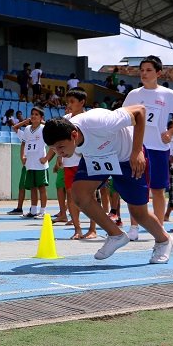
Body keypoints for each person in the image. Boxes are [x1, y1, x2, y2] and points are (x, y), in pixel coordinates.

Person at [42, 106, 173, 264]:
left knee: (138, 213)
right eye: (53, 149)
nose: (59, 152)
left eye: (61, 147)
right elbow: (59, 145)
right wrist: (58, 155)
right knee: (79, 194)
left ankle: (163, 240)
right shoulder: (64, 129)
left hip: (127, 157)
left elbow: (140, 111)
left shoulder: (101, 122)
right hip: (97, 157)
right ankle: (115, 235)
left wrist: (137, 151)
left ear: (74, 135)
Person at [121, 56, 173, 241]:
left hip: (159, 148)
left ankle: (159, 227)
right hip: (138, 147)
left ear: (158, 73)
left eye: (149, 70)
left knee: (158, 190)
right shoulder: (133, 95)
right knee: (136, 188)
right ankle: (134, 227)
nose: (144, 73)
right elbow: (123, 117)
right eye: (142, 70)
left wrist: (171, 132)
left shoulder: (168, 94)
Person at [59, 87, 99, 240]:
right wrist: (59, 157)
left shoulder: (89, 119)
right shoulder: (65, 119)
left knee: (90, 195)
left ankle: (92, 229)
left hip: (86, 161)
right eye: (67, 102)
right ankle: (77, 229)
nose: (69, 105)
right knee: (70, 195)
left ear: (82, 102)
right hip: (69, 163)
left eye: (72, 101)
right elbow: (60, 141)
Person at [19, 107, 52, 218]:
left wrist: (46, 158)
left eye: (36, 114)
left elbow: (52, 145)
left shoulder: (44, 129)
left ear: (41, 117)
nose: (33, 116)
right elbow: (23, 143)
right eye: (32, 114)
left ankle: (43, 211)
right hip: (30, 163)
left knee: (41, 187)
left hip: (40, 164)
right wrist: (22, 156)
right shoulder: (27, 129)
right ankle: (33, 211)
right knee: (32, 187)